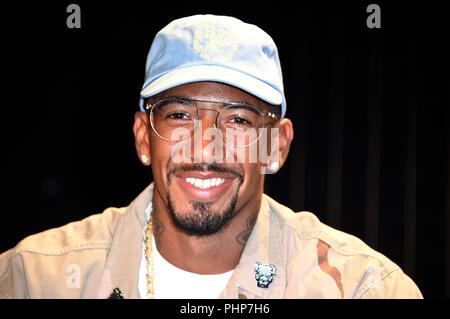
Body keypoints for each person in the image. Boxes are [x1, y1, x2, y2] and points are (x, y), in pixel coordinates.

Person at [0, 14, 422, 299]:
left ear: (275, 146)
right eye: (180, 115)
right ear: (144, 139)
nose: (205, 146)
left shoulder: (358, 288)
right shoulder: (35, 280)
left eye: (238, 120)